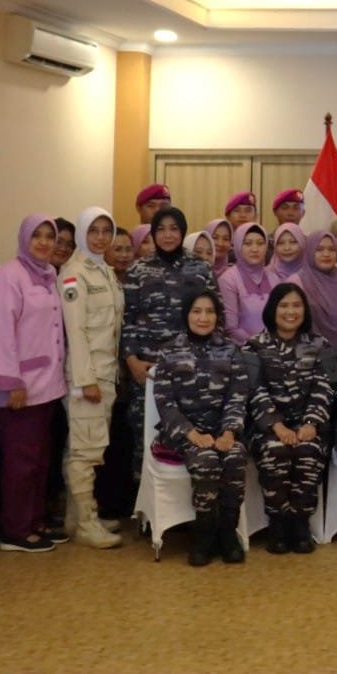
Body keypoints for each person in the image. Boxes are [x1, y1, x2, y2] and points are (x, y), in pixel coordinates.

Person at [121, 208, 219, 493]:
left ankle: (184, 504)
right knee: (144, 436)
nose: (167, 235)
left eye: (174, 228)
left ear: (183, 231)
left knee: (188, 435)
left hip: (190, 371)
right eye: (161, 229)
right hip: (148, 370)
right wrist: (132, 361)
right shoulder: (138, 270)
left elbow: (217, 317)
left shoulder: (200, 269)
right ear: (153, 233)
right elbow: (127, 319)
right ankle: (144, 506)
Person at [0, 216, 67, 553]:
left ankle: (35, 520)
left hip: (47, 384)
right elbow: (2, 332)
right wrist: (12, 381)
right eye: (37, 236)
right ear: (23, 238)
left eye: (50, 236)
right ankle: (15, 530)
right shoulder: (9, 276)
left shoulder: (49, 275)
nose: (45, 242)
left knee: (39, 460)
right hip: (20, 386)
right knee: (20, 462)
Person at [153, 290, 250, 566]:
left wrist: (229, 432)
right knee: (206, 461)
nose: (203, 318)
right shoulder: (169, 351)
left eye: (209, 311)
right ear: (186, 315)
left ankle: (227, 533)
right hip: (184, 434)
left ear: (217, 316)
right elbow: (165, 402)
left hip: (223, 431)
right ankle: (204, 534)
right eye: (196, 311)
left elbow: (237, 396)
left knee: (235, 457)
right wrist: (191, 434)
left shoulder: (230, 350)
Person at [244, 283, 335, 555]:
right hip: (268, 427)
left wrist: (311, 423)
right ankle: (278, 523)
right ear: (272, 310)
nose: (290, 311)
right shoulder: (253, 346)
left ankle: (300, 522)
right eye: (284, 305)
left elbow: (326, 387)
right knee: (276, 449)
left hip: (310, 424)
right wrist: (277, 426)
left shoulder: (321, 345)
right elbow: (254, 390)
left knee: (309, 449)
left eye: (296, 305)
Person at [58, 206, 124, 548]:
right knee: (86, 451)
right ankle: (87, 523)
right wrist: (86, 380)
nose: (101, 237)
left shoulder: (105, 271)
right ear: (82, 233)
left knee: (86, 446)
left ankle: (75, 517)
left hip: (106, 373)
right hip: (88, 377)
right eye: (93, 230)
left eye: (106, 230)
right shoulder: (74, 274)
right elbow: (75, 330)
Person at [290, 230, 337, 352]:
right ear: (310, 251)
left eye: (332, 249)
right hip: (309, 353)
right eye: (319, 249)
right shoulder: (297, 282)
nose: (326, 254)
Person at [218, 223, 278, 344]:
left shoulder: (274, 277)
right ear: (238, 246)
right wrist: (258, 345)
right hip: (243, 348)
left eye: (260, 243)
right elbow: (231, 328)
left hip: (275, 346)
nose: (255, 249)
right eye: (247, 243)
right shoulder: (228, 279)